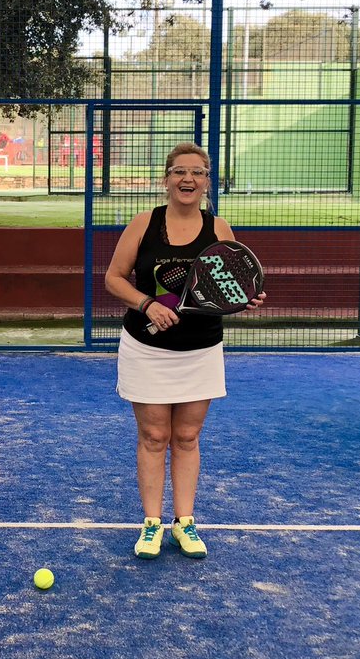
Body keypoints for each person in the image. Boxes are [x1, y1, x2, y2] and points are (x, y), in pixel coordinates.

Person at [104, 142, 264, 560]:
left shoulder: (220, 229)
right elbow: (114, 279)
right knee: (155, 436)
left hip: (201, 349)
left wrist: (244, 299)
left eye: (197, 172)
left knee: (188, 436)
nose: (187, 179)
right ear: (166, 179)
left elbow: (230, 283)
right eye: (179, 171)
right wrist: (147, 304)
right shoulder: (143, 224)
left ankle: (185, 523)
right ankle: (152, 523)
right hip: (146, 349)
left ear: (207, 181)